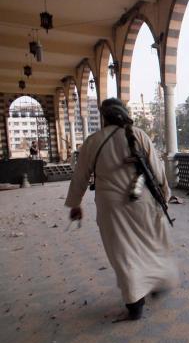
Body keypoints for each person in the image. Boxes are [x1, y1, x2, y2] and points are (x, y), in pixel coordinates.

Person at [65, 98, 178, 320]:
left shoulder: (92, 141)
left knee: (124, 252)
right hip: (142, 201)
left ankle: (135, 303)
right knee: (151, 243)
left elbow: (79, 177)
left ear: (103, 117)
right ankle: (157, 280)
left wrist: (75, 204)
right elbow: (157, 169)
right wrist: (165, 196)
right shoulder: (139, 135)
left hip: (111, 208)